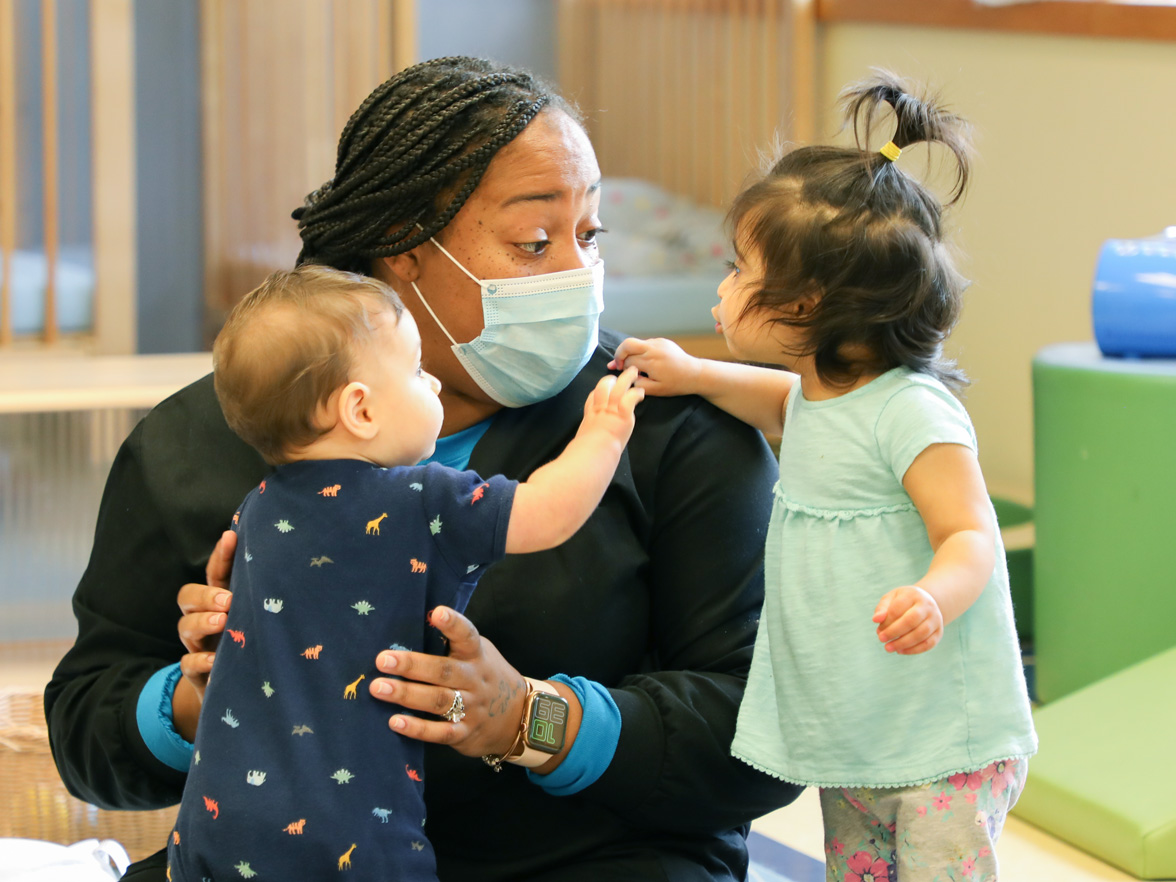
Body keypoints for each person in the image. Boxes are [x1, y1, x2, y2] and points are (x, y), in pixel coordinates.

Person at [45, 57, 800, 881]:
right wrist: (201, 696)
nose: (576, 277)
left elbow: (768, 732)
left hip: (592, 856)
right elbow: (89, 731)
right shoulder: (205, 438)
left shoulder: (664, 427)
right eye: (534, 242)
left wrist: (534, 722)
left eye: (589, 237)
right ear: (403, 247)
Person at [610, 72, 1037, 881]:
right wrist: (692, 371)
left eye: (738, 269)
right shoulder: (819, 394)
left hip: (942, 734)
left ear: (805, 305)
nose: (723, 285)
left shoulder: (913, 410)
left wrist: (931, 596)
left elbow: (971, 533)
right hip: (863, 723)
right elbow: (779, 402)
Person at [167, 265, 643, 881]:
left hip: (216, 826)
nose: (435, 387)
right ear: (359, 410)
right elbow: (547, 512)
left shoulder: (256, 507)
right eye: (419, 372)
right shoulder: (421, 497)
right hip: (358, 839)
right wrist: (605, 431)